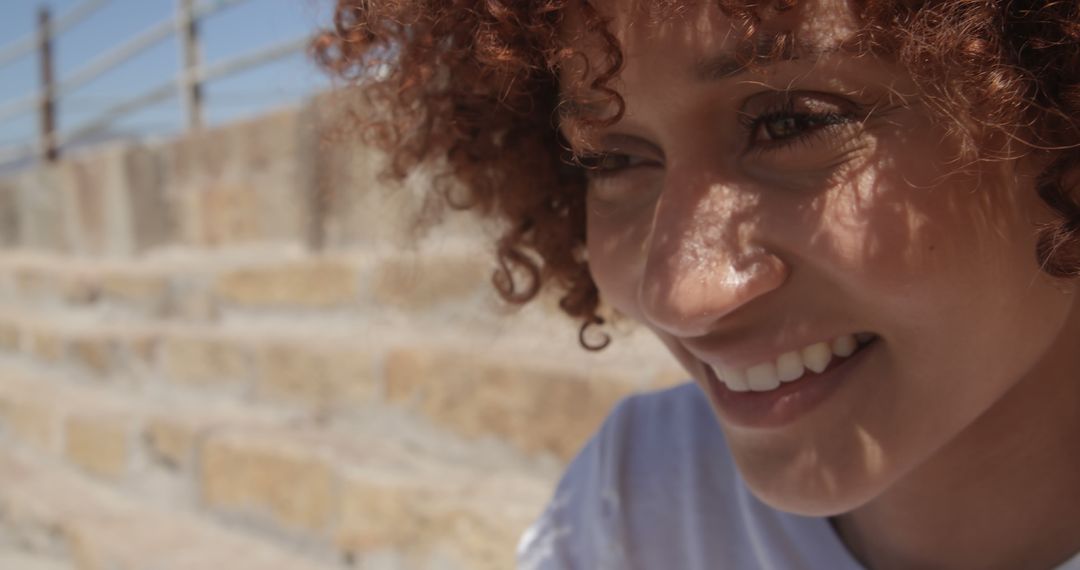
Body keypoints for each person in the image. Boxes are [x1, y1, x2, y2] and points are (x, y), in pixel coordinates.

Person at [315, 1, 1080, 568]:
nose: (680, 294)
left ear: (1056, 111)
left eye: (791, 123)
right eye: (613, 159)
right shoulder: (634, 500)